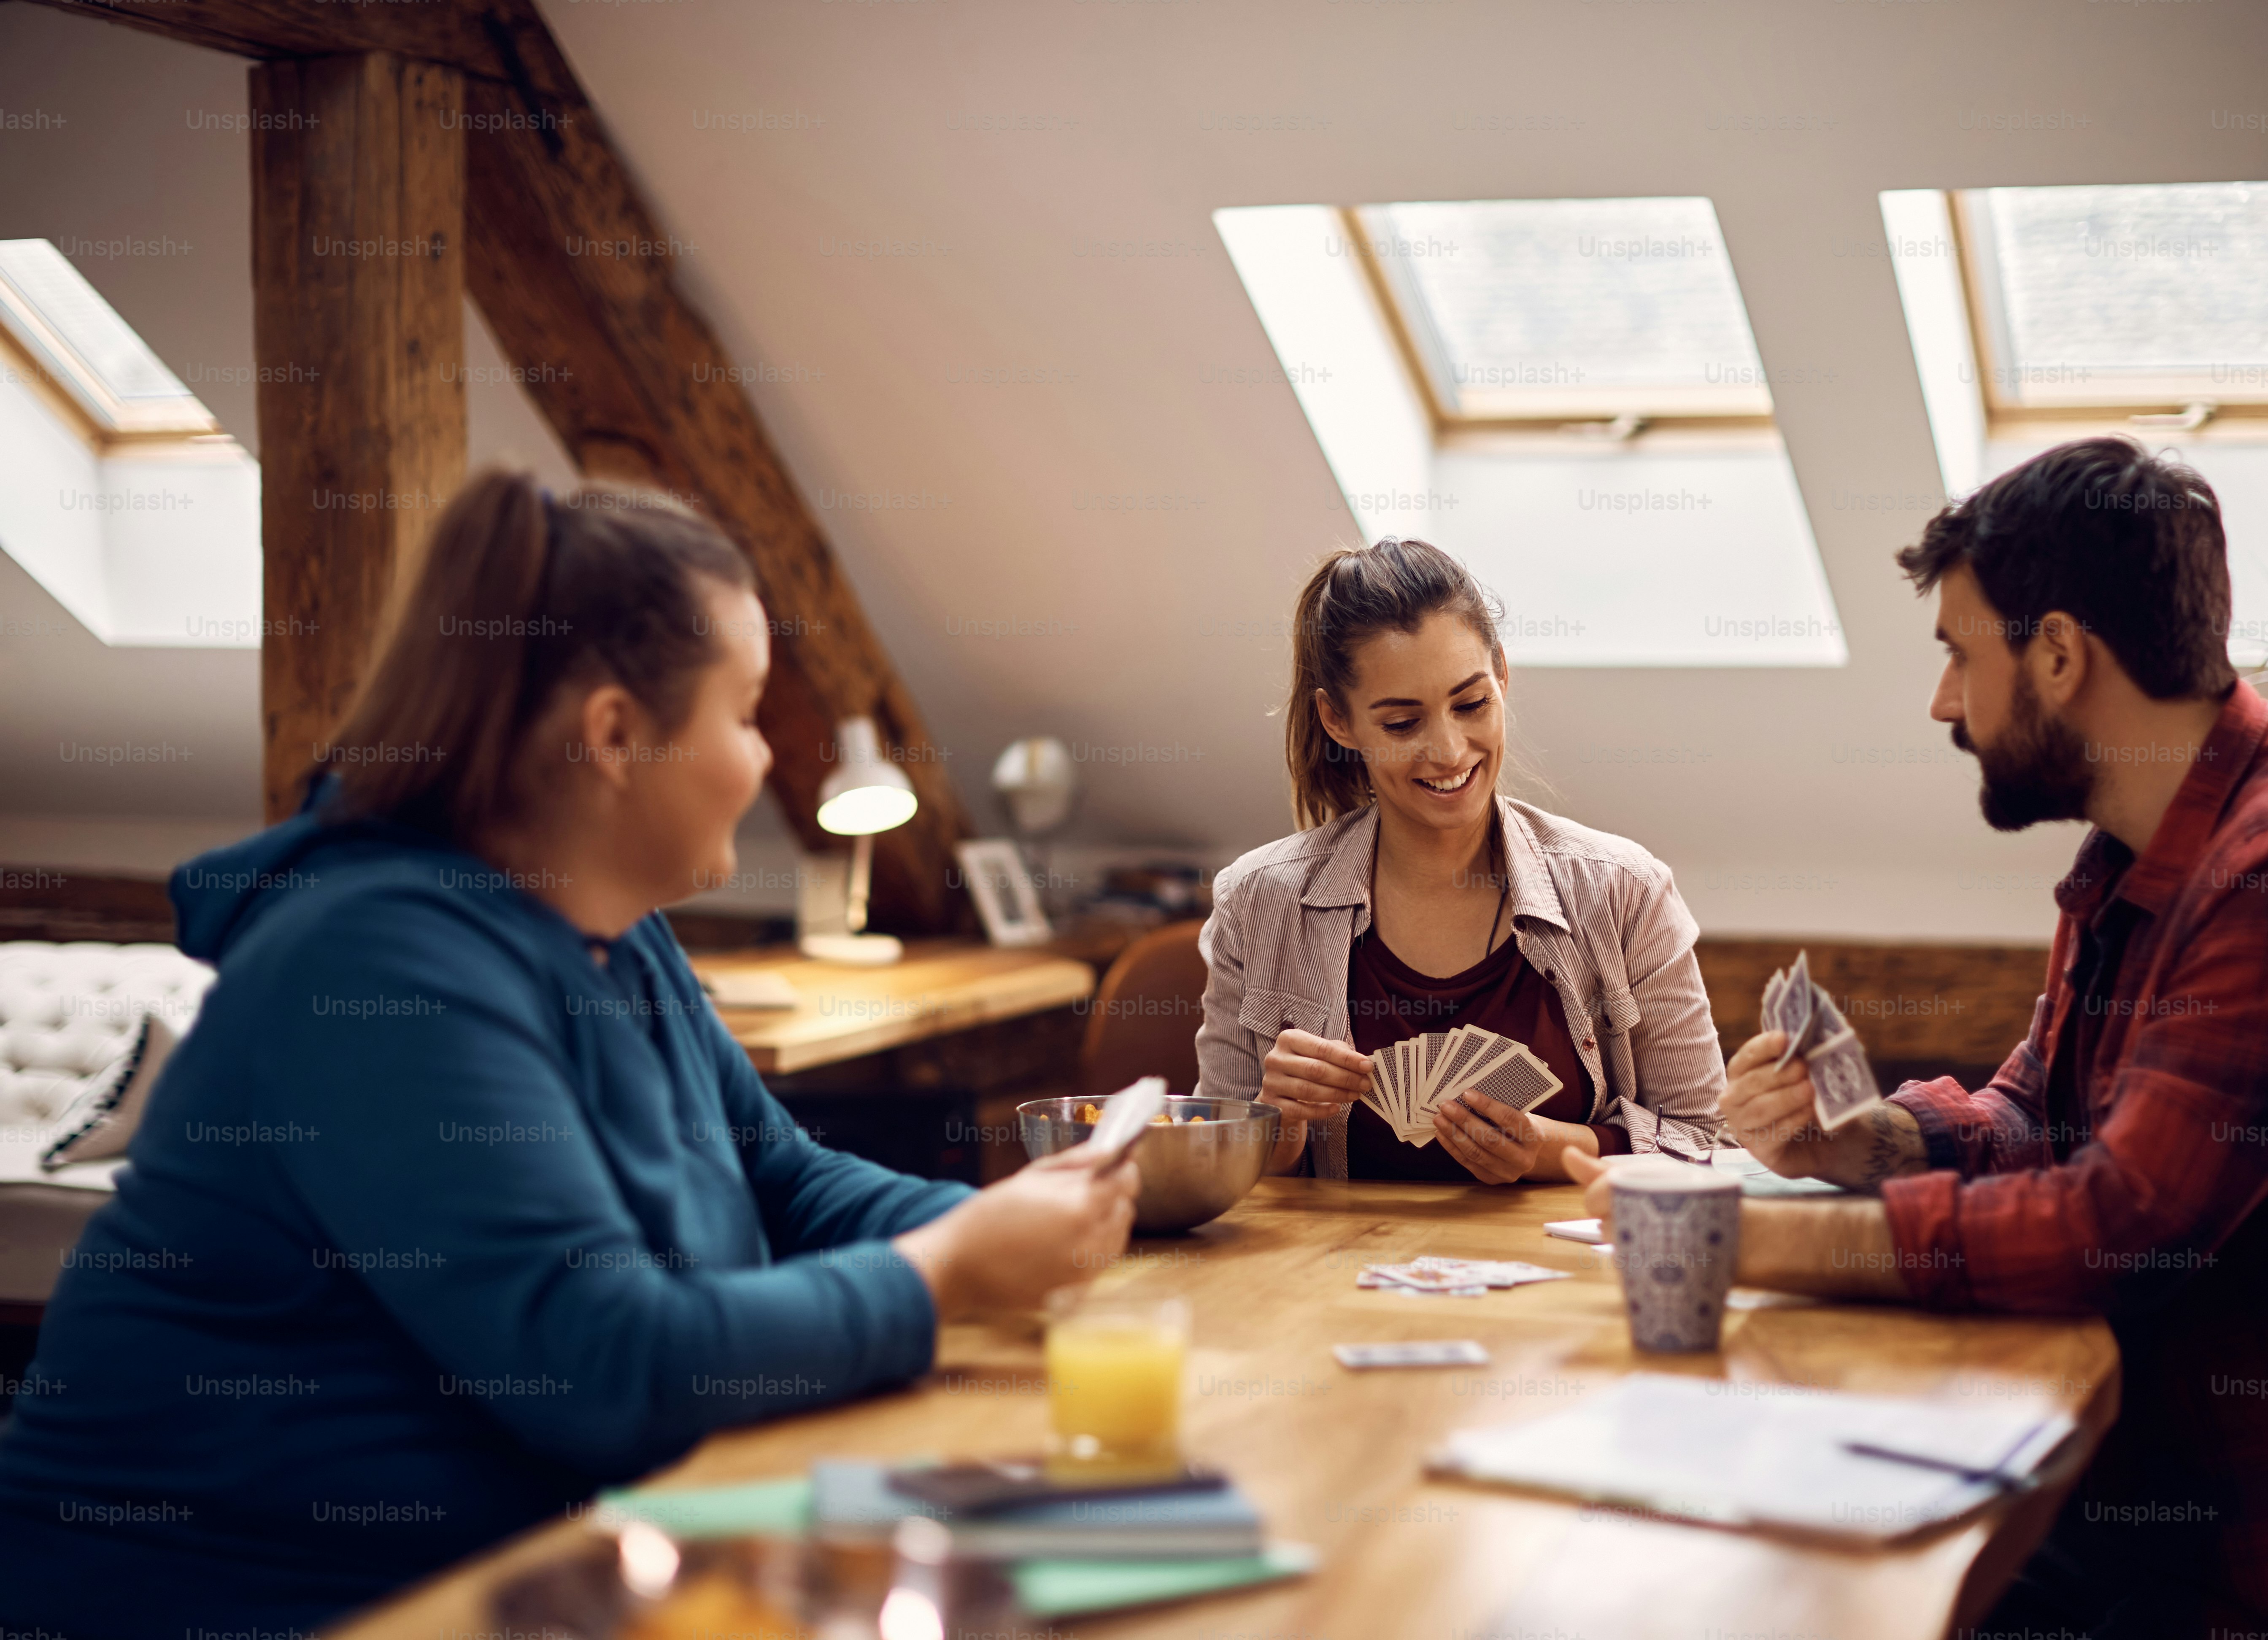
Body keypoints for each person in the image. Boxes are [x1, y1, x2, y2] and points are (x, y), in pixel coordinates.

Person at [0, 472, 1136, 1637]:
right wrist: (947, 1269)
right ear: (613, 736)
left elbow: (783, 1180)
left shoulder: (617, 932)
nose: (764, 766)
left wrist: (1030, 1218)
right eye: (746, 716)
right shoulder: (371, 965)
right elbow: (603, 1369)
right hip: (263, 1606)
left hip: (531, 1571)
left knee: (1115, 1556)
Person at [1566, 437, 2268, 1635]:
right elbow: (2038, 1120)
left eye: (1959, 657)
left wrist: (1718, 1241)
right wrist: (1863, 1143)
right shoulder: (2137, 850)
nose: (1941, 704)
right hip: (2156, 1509)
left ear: (2062, 655)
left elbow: (2117, 1229)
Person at [1194, 538, 1726, 1183]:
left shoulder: (1624, 891)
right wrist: (1272, 1129)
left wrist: (1552, 1150)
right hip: (1333, 1278)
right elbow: (1213, 1174)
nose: (1448, 751)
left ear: (1502, 675)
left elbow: (1707, 1146)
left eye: (1471, 704)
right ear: (1338, 720)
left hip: (1562, 1279)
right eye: (1401, 724)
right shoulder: (1257, 902)